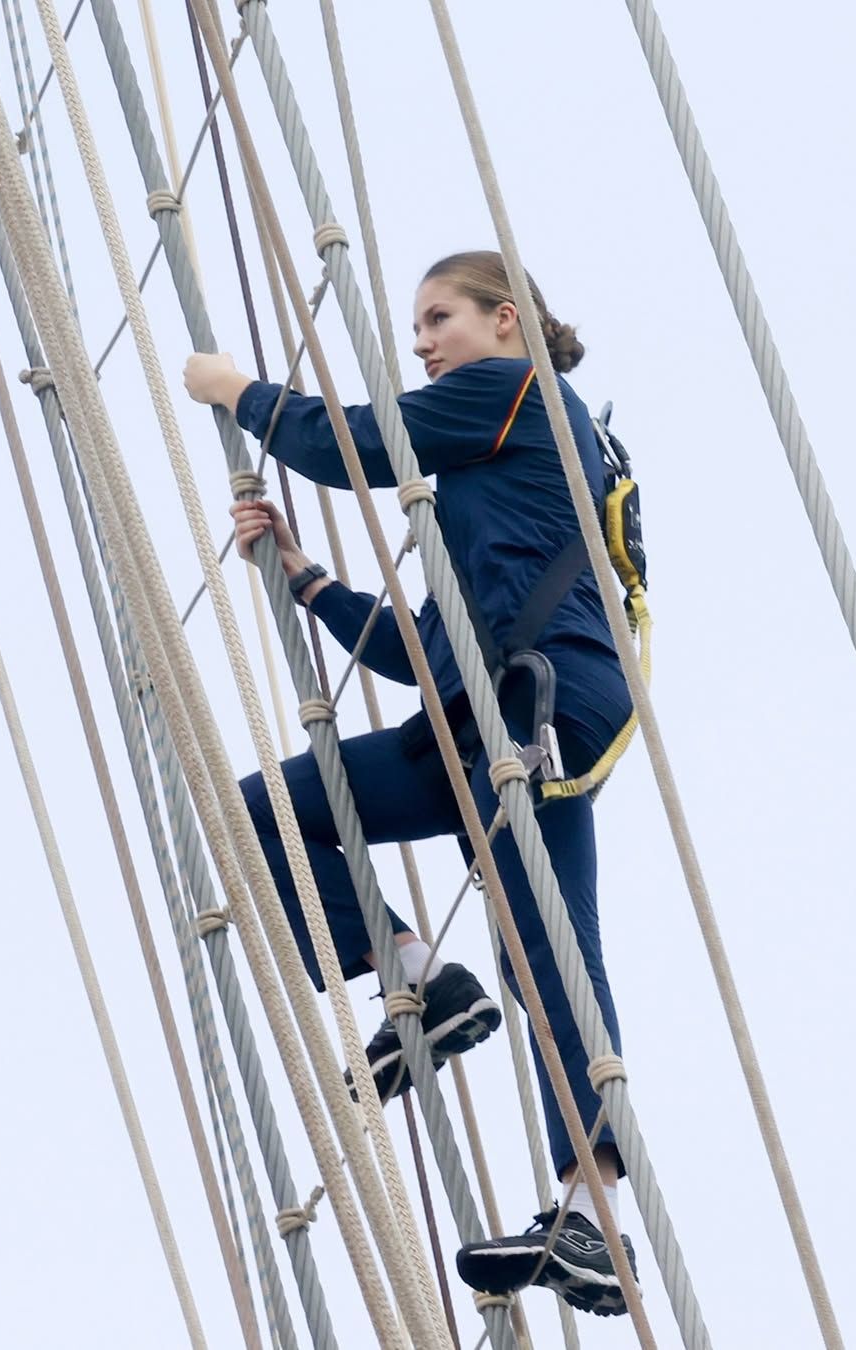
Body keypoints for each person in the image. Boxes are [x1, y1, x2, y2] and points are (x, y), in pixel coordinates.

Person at [184, 251, 637, 1317]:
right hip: (475, 713)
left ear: (507, 321)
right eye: (418, 325)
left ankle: (596, 1213)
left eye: (441, 318)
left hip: (545, 708)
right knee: (265, 814)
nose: (423, 341)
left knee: (547, 945)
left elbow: (348, 444)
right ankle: (420, 979)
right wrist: (306, 578)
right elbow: (425, 657)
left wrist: (233, 390)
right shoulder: (485, 495)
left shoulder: (519, 393)